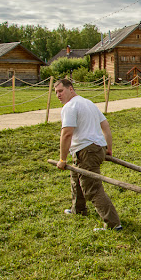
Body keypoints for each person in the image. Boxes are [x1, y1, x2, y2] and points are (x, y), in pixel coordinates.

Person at [54, 79, 122, 231]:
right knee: (76, 178)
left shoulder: (70, 106)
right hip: (96, 148)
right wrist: (108, 148)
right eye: (56, 92)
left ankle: (113, 224)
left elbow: (66, 134)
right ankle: (78, 209)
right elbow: (105, 125)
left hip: (86, 151)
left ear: (70, 89)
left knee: (93, 188)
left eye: (61, 91)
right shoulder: (88, 103)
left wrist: (62, 159)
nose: (58, 95)